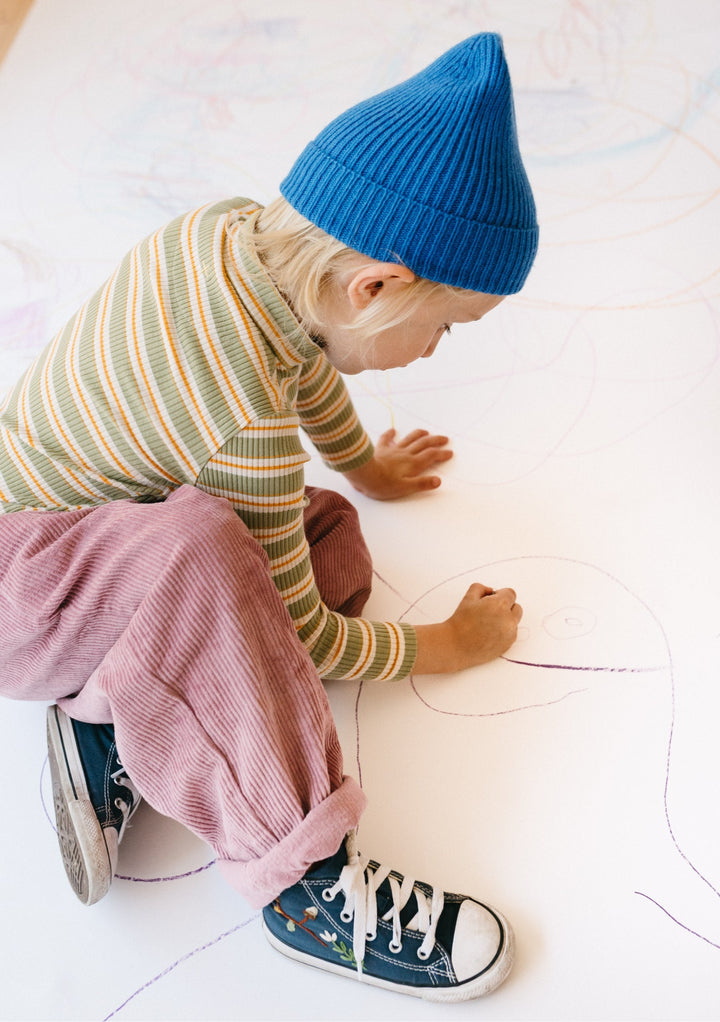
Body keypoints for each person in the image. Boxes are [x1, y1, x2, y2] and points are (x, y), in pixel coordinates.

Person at [0, 33, 537, 1002]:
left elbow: (302, 363)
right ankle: (303, 881)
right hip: (23, 586)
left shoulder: (236, 236)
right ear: (376, 287)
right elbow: (302, 629)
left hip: (90, 547)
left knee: (322, 532)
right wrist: (440, 645)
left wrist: (365, 466)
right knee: (224, 555)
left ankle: (109, 709)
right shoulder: (242, 423)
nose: (436, 346)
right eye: (446, 323)